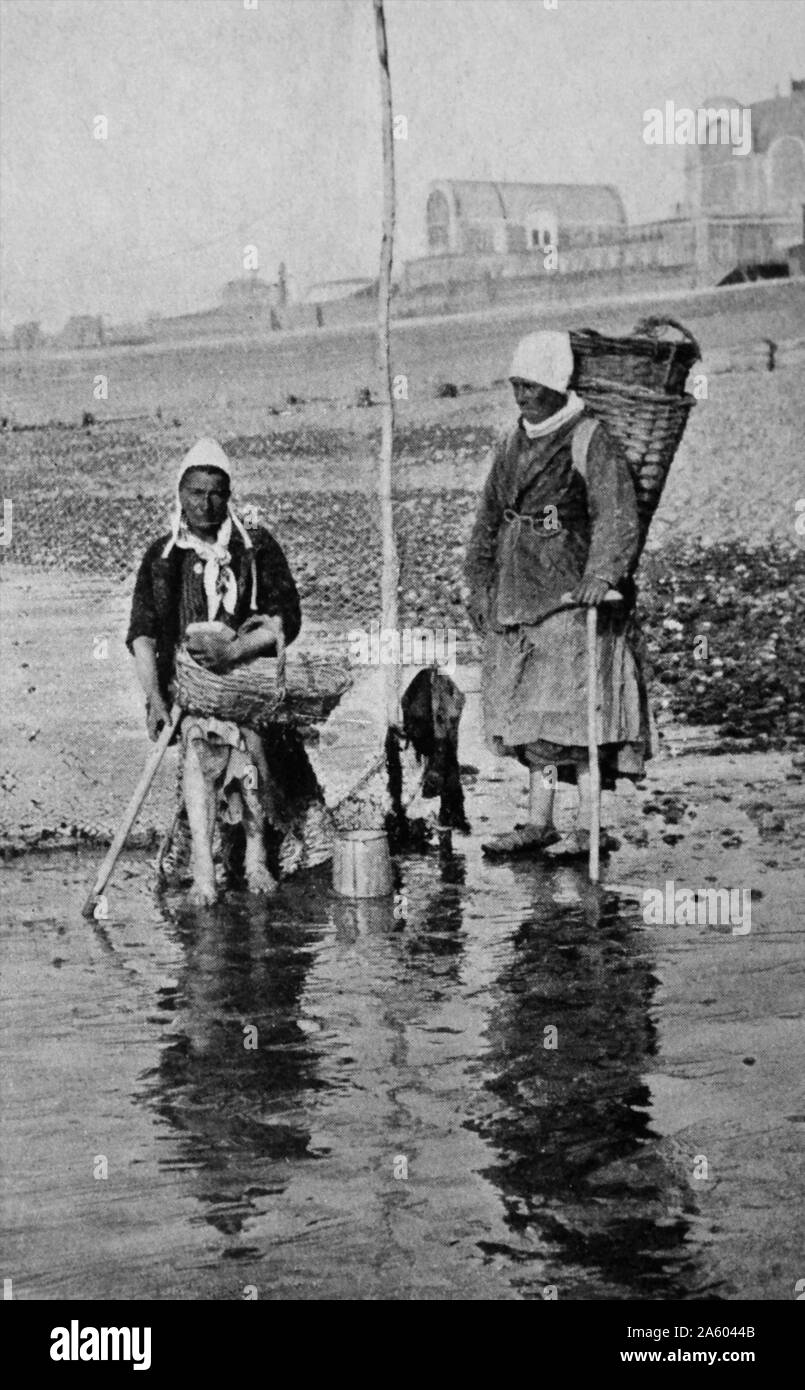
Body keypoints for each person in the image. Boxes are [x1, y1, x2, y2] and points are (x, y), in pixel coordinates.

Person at [465, 331, 652, 858]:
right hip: (517, 589)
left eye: (531, 385)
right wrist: (478, 583)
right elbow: (487, 517)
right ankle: (538, 820)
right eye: (515, 385)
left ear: (555, 385)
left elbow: (615, 514)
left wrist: (604, 575)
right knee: (533, 724)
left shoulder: (588, 437)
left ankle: (589, 826)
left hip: (569, 598)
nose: (521, 395)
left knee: (578, 720)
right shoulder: (510, 442)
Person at [126, 437, 325, 904]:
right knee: (199, 749)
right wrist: (156, 700)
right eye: (196, 492)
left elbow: (284, 618)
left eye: (217, 492)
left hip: (249, 686)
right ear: (180, 493)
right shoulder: (163, 556)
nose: (206, 503)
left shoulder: (254, 547)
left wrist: (238, 651)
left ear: (229, 495)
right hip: (189, 690)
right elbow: (143, 635)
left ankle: (256, 855)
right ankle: (203, 870)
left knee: (253, 747)